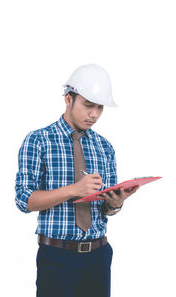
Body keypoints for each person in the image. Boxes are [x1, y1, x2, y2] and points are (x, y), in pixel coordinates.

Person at [15, 64, 140, 297]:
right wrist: (74, 189)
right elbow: (24, 200)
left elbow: (106, 210)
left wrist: (115, 203)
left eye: (100, 107)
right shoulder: (38, 140)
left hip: (99, 255)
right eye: (88, 105)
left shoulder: (104, 147)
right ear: (69, 99)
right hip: (57, 257)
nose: (94, 114)